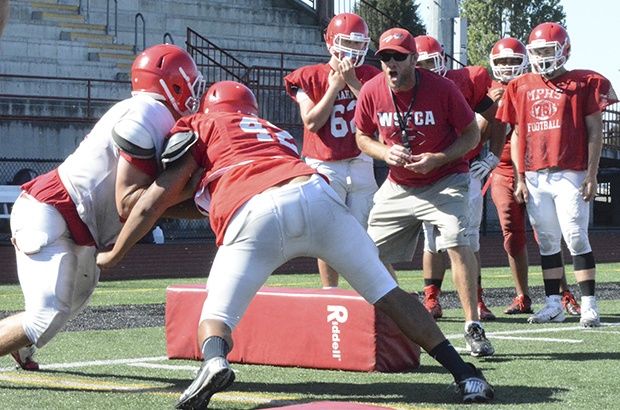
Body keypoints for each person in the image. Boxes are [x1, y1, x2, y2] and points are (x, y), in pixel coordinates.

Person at [96, 81, 495, 408]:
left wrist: (114, 253)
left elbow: (152, 202)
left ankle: (215, 360)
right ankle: (464, 374)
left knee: (216, 312)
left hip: (255, 211)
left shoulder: (201, 124)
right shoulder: (274, 132)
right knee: (387, 294)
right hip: (317, 196)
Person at [0, 44, 205, 370]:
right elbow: (130, 204)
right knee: (46, 313)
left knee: (59, 311)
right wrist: (189, 189)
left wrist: (205, 204)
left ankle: (18, 344)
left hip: (82, 227)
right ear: (173, 84)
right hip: (52, 211)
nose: (196, 94)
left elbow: (152, 203)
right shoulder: (147, 113)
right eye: (191, 84)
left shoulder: (157, 117)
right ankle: (19, 337)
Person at [354, 28, 494, 357]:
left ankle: (473, 325)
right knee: (366, 255)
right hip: (400, 184)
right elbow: (362, 136)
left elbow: (472, 135)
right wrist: (383, 153)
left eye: (398, 57)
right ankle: (404, 310)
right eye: (385, 58)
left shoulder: (442, 88)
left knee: (457, 242)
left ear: (414, 60)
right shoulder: (372, 89)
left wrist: (439, 158)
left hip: (446, 178)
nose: (390, 64)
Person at [497, 22, 618, 327]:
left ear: (564, 50)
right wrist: (520, 177)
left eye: (547, 51)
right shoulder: (520, 85)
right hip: (536, 174)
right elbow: (516, 135)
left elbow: (594, 130)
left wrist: (592, 173)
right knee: (548, 241)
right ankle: (554, 303)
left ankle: (589, 303)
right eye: (537, 52)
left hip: (570, 172)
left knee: (576, 236)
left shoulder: (583, 82)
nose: (541, 57)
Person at [284, 12, 381, 289]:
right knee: (327, 233)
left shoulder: (371, 76)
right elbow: (312, 122)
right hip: (324, 164)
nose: (354, 51)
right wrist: (334, 87)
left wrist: (352, 82)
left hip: (361, 160)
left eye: (359, 44)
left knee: (366, 235)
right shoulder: (309, 76)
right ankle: (330, 292)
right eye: (347, 43)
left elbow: (378, 116)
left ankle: (371, 292)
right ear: (331, 43)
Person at [413, 35, 505, 321]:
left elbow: (497, 115)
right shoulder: (406, 90)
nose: (427, 69)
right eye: (421, 64)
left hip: (466, 167)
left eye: (431, 62)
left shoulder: (466, 80)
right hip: (430, 169)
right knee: (431, 239)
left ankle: (476, 300)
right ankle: (431, 299)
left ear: (442, 59)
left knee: (469, 237)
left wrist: (493, 157)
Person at [487, 37, 582, 316]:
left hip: (537, 166)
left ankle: (564, 293)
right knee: (512, 236)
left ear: (525, 61)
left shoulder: (535, 83)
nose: (506, 66)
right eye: (502, 61)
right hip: (503, 169)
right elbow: (474, 132)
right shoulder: (486, 90)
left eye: (513, 60)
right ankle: (522, 296)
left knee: (548, 233)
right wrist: (490, 109)